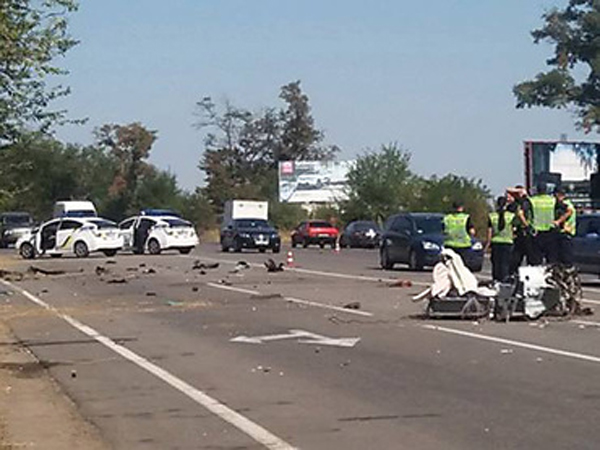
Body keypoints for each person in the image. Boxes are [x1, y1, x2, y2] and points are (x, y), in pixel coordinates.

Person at [507, 186, 535, 274]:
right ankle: (514, 274)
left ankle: (517, 274)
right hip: (522, 233)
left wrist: (526, 225)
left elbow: (520, 214)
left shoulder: (525, 202)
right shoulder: (517, 203)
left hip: (525, 232)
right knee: (517, 258)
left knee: (524, 257)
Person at [486, 196, 514, 282]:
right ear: (506, 204)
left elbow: (489, 232)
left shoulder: (492, 216)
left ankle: (496, 280)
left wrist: (488, 244)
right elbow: (513, 229)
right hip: (507, 242)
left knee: (496, 264)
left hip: (496, 242)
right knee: (505, 263)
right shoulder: (511, 216)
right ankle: (504, 280)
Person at [529, 183, 558, 265]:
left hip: (536, 231)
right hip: (550, 230)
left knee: (536, 259)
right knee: (551, 258)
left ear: (537, 190)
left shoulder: (532, 200)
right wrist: (558, 221)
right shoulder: (553, 200)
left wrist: (528, 225)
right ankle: (551, 272)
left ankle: (538, 272)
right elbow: (565, 209)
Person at [554, 187, 576, 266]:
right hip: (564, 233)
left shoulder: (565, 203)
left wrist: (558, 221)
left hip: (566, 233)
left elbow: (569, 211)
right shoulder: (566, 203)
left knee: (566, 259)